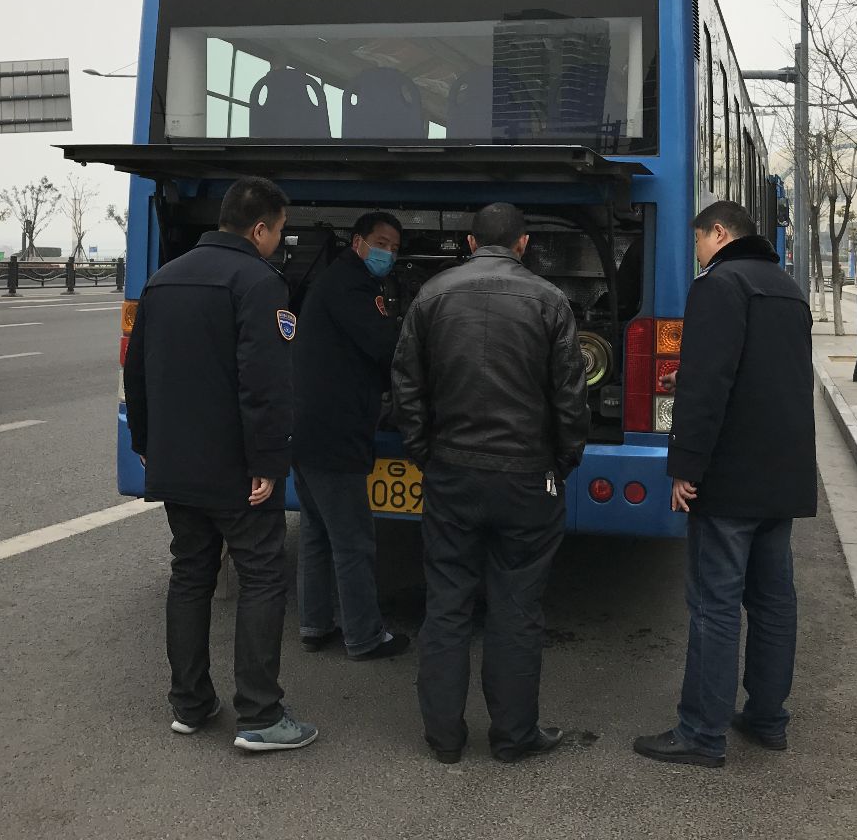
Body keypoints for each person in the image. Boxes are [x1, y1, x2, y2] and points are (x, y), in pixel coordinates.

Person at [124, 176, 317, 754]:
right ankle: (260, 714)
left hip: (175, 464)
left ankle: (190, 703)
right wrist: (268, 462)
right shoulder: (259, 282)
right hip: (236, 470)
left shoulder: (163, 278)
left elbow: (137, 371)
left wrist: (145, 441)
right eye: (279, 231)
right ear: (258, 229)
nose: (280, 241)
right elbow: (265, 383)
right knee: (262, 576)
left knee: (190, 575)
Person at [392, 202, 589, 765]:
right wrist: (563, 460)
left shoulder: (431, 296)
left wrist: (425, 452)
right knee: (516, 609)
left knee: (446, 604)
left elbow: (406, 385)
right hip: (527, 476)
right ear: (523, 244)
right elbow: (569, 395)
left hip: (452, 471)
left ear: (471, 243)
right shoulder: (550, 301)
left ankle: (444, 738)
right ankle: (513, 736)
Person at [632, 200, 816, 769]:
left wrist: (685, 467)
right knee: (773, 602)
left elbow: (707, 386)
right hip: (782, 477)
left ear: (718, 233)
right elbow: (777, 380)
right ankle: (767, 719)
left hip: (731, 476)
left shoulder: (718, 286)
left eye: (697, 241)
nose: (696, 253)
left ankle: (701, 732)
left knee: (714, 605)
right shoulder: (787, 289)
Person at [291, 211, 410, 661]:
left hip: (307, 427)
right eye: (381, 243)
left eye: (394, 248)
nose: (387, 253)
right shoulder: (352, 286)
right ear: (357, 242)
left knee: (317, 533)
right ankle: (364, 636)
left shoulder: (335, 280)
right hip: (334, 432)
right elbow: (386, 347)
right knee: (353, 540)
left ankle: (315, 624)